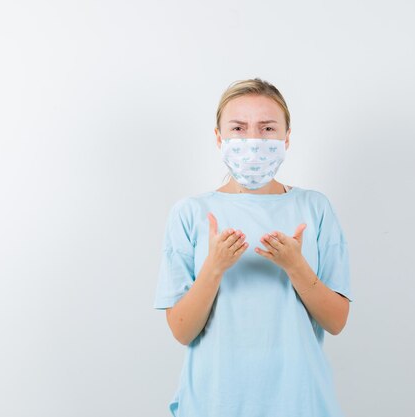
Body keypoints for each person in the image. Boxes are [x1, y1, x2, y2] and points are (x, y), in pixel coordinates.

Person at [152, 78, 354, 417]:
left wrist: (296, 266)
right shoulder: (190, 212)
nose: (253, 140)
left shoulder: (314, 208)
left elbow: (336, 321)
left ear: (287, 137)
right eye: (238, 128)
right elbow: (182, 330)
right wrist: (214, 267)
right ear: (219, 137)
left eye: (267, 128)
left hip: (300, 401)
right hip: (214, 403)